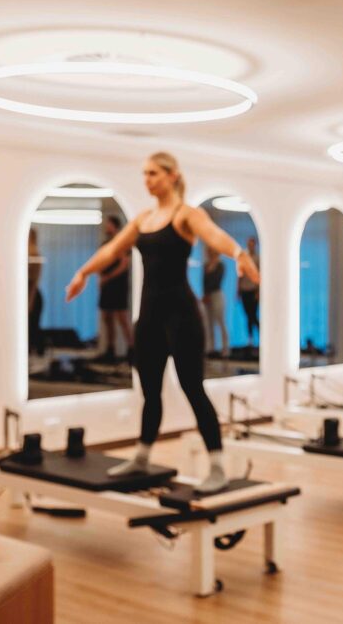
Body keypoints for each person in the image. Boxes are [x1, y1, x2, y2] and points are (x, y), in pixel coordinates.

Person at [65, 152, 260, 492]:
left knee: (193, 388)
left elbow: (213, 235)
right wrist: (83, 272)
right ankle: (141, 456)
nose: (148, 180)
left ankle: (217, 466)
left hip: (182, 315)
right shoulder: (143, 219)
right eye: (144, 174)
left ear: (172, 176)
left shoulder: (186, 215)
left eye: (153, 173)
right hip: (150, 317)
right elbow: (112, 251)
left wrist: (239, 254)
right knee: (150, 392)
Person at [97, 215, 134, 363]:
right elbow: (99, 262)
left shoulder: (122, 243)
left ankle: (132, 349)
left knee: (122, 317)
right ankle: (110, 349)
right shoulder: (105, 244)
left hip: (118, 285)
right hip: (107, 285)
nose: (106, 227)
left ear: (115, 226)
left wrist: (109, 277)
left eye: (108, 225)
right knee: (107, 317)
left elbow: (124, 265)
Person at [201, 246, 229, 358]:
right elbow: (204, 281)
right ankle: (210, 348)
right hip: (208, 296)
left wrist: (208, 293)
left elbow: (217, 280)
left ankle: (225, 349)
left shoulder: (220, 265)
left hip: (216, 294)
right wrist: (205, 294)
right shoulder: (206, 265)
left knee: (220, 321)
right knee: (209, 323)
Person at [238, 236, 260, 348]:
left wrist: (258, 292)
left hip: (253, 290)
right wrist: (238, 290)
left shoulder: (258, 258)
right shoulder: (243, 257)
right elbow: (240, 274)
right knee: (248, 315)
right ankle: (250, 339)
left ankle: (262, 335)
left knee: (253, 315)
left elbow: (260, 276)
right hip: (244, 290)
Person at [28, 229, 45, 356]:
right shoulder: (27, 253)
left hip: (32, 295)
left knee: (32, 326)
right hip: (28, 293)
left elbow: (34, 281)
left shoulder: (34, 254)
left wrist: (30, 300)